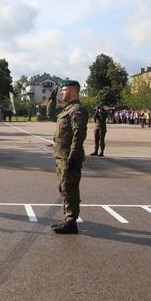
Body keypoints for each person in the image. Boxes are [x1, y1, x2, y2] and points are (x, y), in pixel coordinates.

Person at [47, 80, 88, 234]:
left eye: (63, 90)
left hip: (68, 157)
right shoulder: (67, 109)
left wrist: (73, 156)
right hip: (61, 156)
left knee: (69, 188)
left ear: (72, 91)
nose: (62, 93)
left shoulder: (77, 110)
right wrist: (51, 101)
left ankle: (71, 222)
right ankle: (68, 218)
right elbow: (51, 116)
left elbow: (79, 135)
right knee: (64, 188)